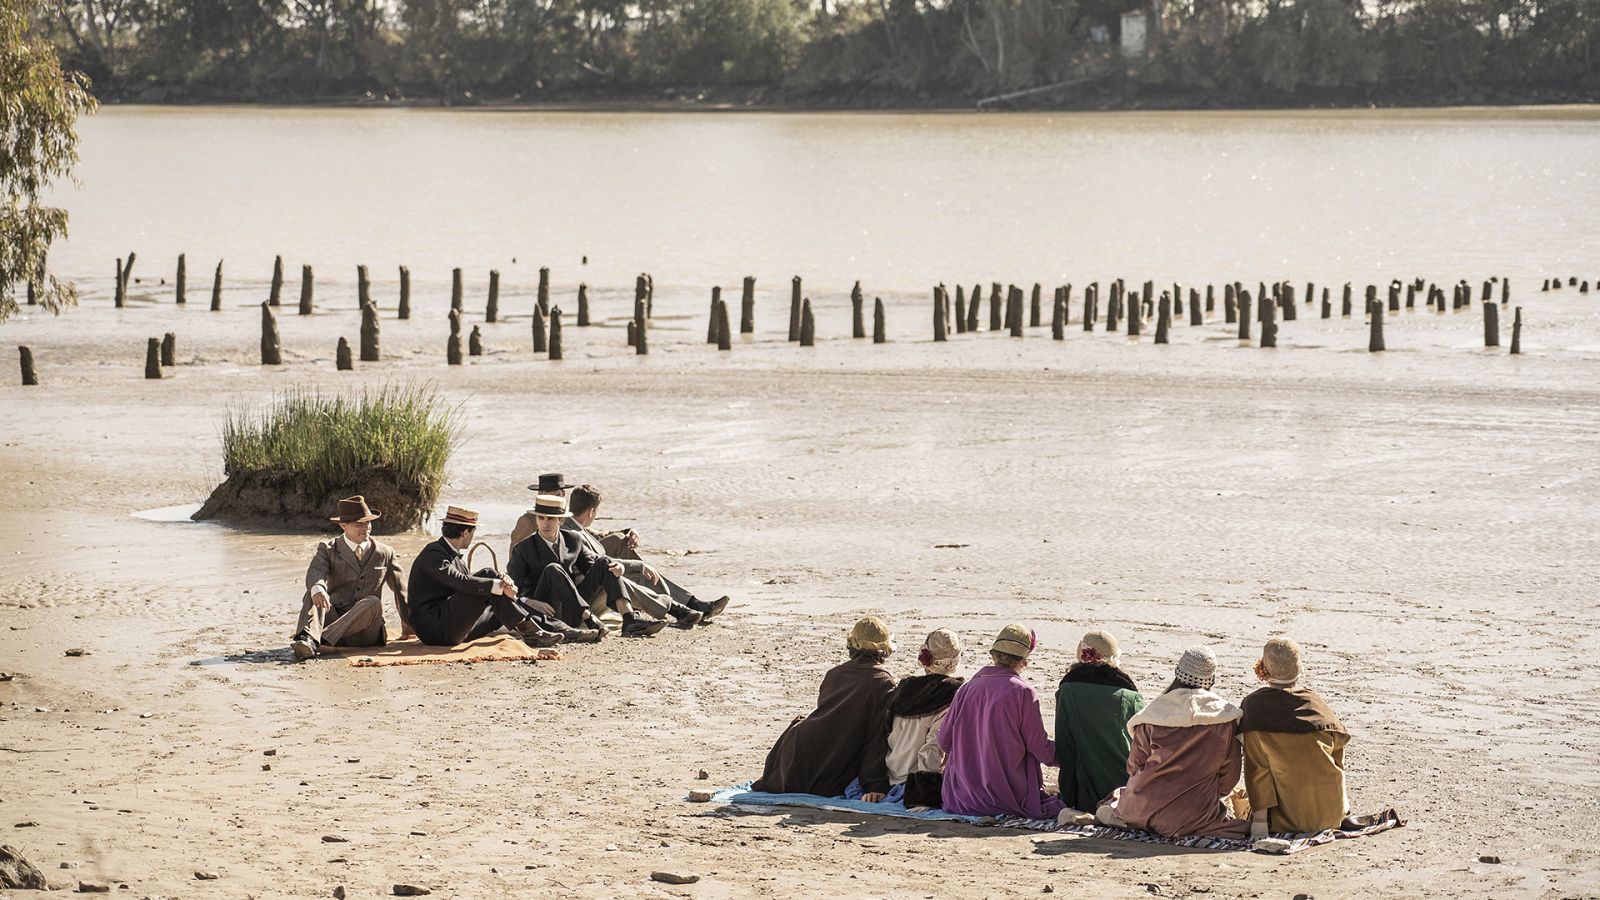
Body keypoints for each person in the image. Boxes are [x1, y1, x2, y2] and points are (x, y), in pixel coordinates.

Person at [1096, 646, 1248, 838]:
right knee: (1239, 827)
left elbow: (1134, 767)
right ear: (1212, 679)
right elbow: (1229, 777)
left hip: (1141, 806)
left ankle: (1122, 817)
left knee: (1117, 796)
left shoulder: (1153, 714)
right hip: (1192, 815)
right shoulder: (1225, 719)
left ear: (1178, 674)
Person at [752, 616, 896, 798]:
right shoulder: (883, 683)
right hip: (828, 763)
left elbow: (828, 714)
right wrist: (874, 785)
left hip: (797, 747)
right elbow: (876, 736)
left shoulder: (834, 674)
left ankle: (777, 776)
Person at [937, 624, 1065, 820]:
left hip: (959, 798)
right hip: (1004, 798)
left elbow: (944, 740)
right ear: (1024, 661)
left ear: (994, 655)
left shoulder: (967, 688)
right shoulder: (1023, 693)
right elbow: (1040, 748)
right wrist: (1069, 758)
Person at [506, 493, 665, 638]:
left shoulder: (573, 539)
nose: (545, 523)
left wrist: (624, 567)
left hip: (574, 609)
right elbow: (511, 590)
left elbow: (593, 565)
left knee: (605, 563)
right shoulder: (523, 549)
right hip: (547, 611)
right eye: (541, 518)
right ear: (536, 519)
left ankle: (630, 621)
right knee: (553, 569)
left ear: (561, 520)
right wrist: (529, 601)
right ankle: (589, 618)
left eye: (551, 519)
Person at [566, 484, 727, 628]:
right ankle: (673, 607)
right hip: (586, 596)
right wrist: (640, 567)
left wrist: (628, 531)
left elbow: (598, 536)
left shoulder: (573, 525)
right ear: (592, 511)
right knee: (614, 571)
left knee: (619, 541)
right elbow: (594, 563)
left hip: (590, 580)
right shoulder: (569, 532)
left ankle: (687, 603)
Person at [405, 505, 564, 648]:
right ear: (466, 532)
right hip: (435, 630)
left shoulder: (453, 555)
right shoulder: (433, 553)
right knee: (488, 575)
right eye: (474, 532)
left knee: (499, 608)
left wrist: (502, 583)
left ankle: (547, 628)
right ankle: (533, 634)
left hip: (451, 627)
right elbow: (459, 582)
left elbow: (466, 586)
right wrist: (496, 583)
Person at [1240, 638, 1351, 838]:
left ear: (1263, 669)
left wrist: (1258, 824)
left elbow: (1258, 771)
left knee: (1242, 797)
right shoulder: (1317, 705)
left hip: (1290, 821)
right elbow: (1337, 757)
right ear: (1299, 669)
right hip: (1333, 814)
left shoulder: (1254, 707)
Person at [291, 496, 412, 660]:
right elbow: (316, 571)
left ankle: (317, 640)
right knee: (313, 592)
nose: (366, 528)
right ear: (343, 526)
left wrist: (408, 623)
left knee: (373, 602)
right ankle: (307, 639)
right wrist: (318, 588)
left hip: (366, 632)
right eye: (359, 524)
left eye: (368, 522)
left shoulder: (385, 552)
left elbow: (401, 591)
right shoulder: (328, 549)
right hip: (334, 618)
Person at [1054, 629, 1146, 814]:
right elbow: (1143, 747)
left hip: (1087, 794)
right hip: (1126, 790)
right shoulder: (1130, 696)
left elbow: (1066, 749)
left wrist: (1068, 798)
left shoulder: (1067, 691)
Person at [881, 628, 964, 809]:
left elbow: (883, 735)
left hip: (890, 775)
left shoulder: (904, 688)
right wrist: (923, 797)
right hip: (914, 782)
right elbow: (933, 748)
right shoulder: (951, 698)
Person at [509, 472, 572, 549]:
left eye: (557, 496)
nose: (554, 502)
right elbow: (515, 552)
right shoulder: (528, 521)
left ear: (563, 493)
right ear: (540, 494)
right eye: (549, 497)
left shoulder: (568, 518)